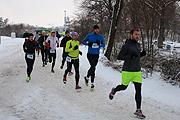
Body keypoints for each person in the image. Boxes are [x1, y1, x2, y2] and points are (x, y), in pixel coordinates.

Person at [109, 29, 146, 119]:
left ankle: (138, 110)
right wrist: (130, 56)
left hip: (137, 71)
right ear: (131, 35)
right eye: (136, 34)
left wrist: (141, 54)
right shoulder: (127, 45)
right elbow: (120, 57)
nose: (137, 36)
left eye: (138, 34)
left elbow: (136, 56)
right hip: (127, 71)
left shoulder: (138, 45)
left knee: (138, 90)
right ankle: (114, 90)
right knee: (124, 87)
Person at [82, 25, 105, 90]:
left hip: (96, 54)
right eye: (96, 29)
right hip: (90, 54)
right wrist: (88, 44)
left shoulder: (101, 36)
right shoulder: (89, 36)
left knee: (93, 67)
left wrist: (100, 44)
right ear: (94, 30)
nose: (97, 30)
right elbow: (83, 42)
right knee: (93, 67)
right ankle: (92, 83)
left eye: (98, 29)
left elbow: (103, 45)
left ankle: (87, 77)